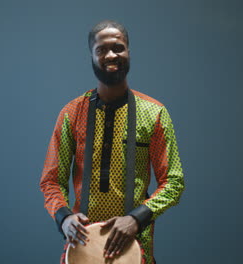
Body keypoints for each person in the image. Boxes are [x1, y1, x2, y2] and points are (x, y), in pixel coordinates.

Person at [40, 20, 185, 264]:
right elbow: (51, 180)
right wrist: (64, 218)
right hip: (81, 247)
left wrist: (136, 218)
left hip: (137, 247)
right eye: (101, 50)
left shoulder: (154, 113)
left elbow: (174, 181)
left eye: (118, 48)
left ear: (128, 51)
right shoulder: (72, 113)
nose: (110, 55)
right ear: (91, 56)